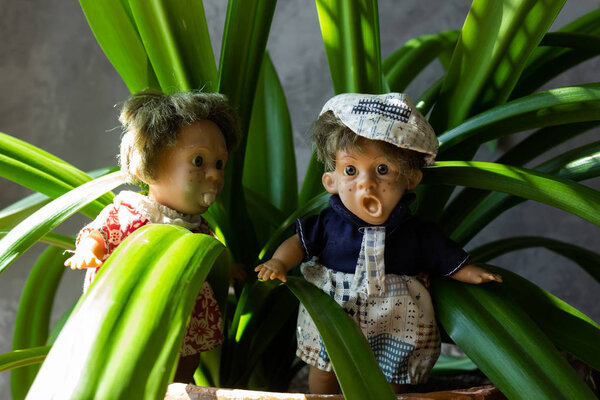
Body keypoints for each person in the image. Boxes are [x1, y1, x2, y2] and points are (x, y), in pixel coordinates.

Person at [255, 93, 502, 394]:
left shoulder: (413, 231)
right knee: (324, 370)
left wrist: (468, 271)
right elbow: (299, 243)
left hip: (395, 316)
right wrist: (279, 262)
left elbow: (441, 254)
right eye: (350, 170)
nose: (366, 184)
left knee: (394, 375)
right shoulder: (328, 224)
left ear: (410, 179)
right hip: (335, 311)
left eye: (382, 170)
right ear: (330, 181)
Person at [65, 89, 241, 382]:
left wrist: (225, 269)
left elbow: (209, 251)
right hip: (137, 307)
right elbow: (103, 230)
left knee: (186, 360)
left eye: (219, 164)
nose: (215, 175)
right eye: (199, 161)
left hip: (184, 309)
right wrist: (90, 249)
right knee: (135, 360)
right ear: (151, 163)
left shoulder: (195, 226)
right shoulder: (134, 212)